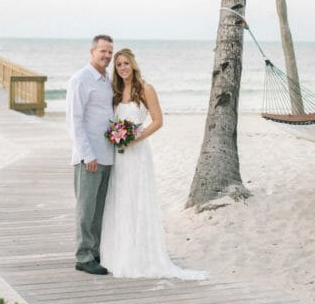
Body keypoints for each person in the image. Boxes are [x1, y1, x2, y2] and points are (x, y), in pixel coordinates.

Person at [100, 48, 208, 280]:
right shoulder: (115, 91)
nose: (122, 68)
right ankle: (118, 254)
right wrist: (116, 137)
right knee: (119, 199)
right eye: (118, 65)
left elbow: (158, 121)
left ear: (133, 65)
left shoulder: (146, 89)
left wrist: (133, 138)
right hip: (118, 153)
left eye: (126, 63)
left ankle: (141, 255)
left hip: (137, 152)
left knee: (137, 199)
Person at [66, 34, 115, 275]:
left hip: (108, 155)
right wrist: (88, 155)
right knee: (86, 209)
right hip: (90, 158)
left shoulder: (107, 80)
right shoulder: (80, 79)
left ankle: (95, 252)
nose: (107, 56)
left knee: (98, 209)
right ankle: (83, 256)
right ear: (92, 52)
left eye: (110, 53)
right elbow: (74, 121)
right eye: (103, 51)